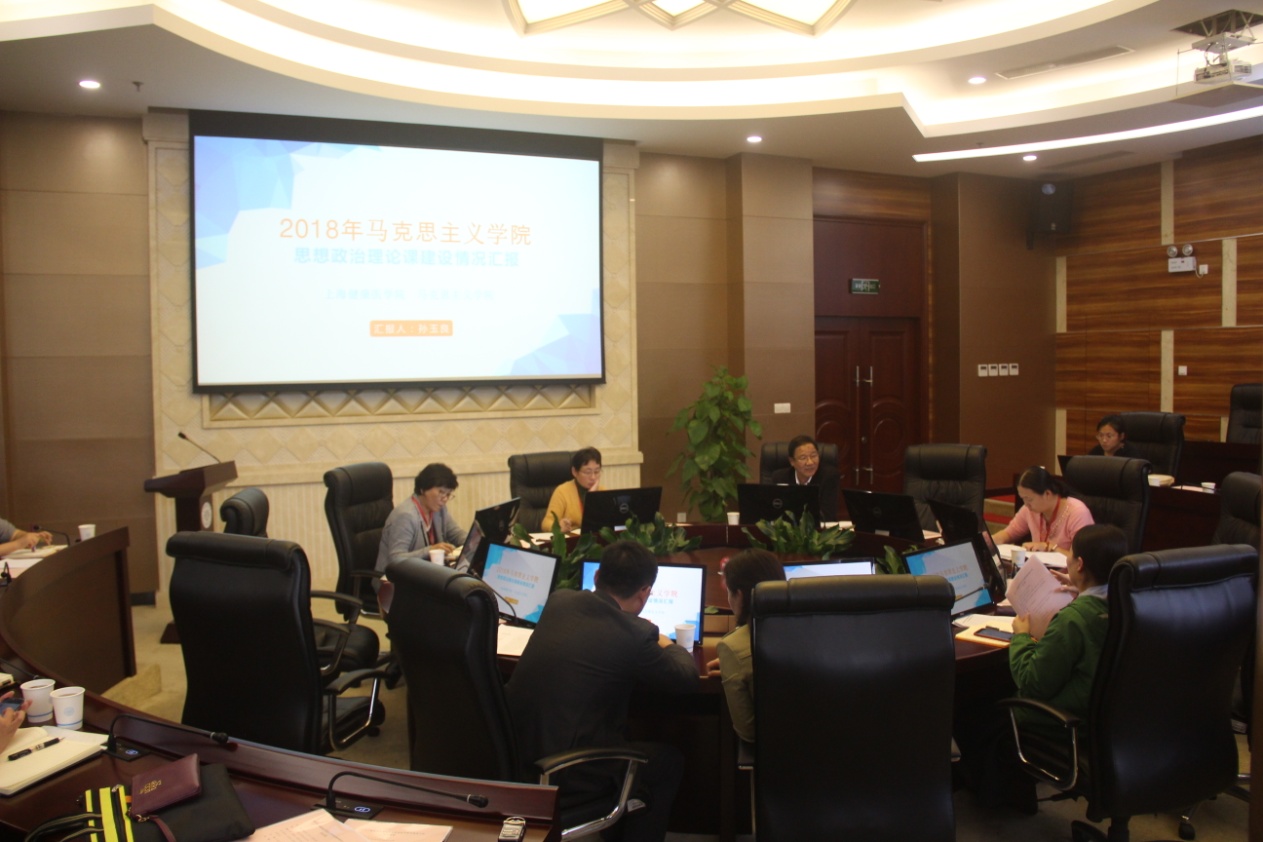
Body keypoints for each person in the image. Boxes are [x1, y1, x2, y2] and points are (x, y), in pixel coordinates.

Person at [506, 540, 698, 842]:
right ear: (645, 592)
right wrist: (665, 639)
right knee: (667, 762)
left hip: (514, 755)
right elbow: (686, 678)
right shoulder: (635, 634)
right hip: (566, 771)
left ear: (596, 577)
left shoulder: (559, 601)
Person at [957, 524, 1127, 812]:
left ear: (1080, 564)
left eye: (1070, 556)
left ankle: (1003, 798)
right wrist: (1081, 587)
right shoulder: (1126, 605)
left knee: (973, 704)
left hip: (1066, 720)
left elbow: (1031, 682)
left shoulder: (1074, 620)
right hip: (1106, 719)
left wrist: (1022, 635)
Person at [706, 549, 785, 744]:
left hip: (776, 752)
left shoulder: (733, 647)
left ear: (739, 596)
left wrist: (733, 665)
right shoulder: (815, 630)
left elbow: (748, 731)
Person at [374, 463, 466, 578]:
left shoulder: (438, 509)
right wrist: (429, 550)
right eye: (441, 492)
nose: (445, 499)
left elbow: (456, 534)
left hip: (423, 574)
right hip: (394, 580)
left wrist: (473, 543)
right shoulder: (406, 516)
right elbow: (396, 558)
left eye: (448, 494)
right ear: (423, 489)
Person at [992, 466, 1093, 556]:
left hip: (1066, 571)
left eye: (1029, 499)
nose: (1026, 504)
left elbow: (1081, 558)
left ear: (1047, 494)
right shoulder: (1029, 510)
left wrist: (1049, 547)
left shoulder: (1077, 512)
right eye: (1023, 499)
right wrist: (989, 540)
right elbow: (1009, 533)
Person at [769, 435, 840, 522]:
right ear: (792, 461)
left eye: (813, 456)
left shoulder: (829, 476)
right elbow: (775, 511)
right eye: (803, 458)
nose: (810, 462)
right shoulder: (780, 477)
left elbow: (827, 515)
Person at [541, 447, 602, 532]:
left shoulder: (602, 491)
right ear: (574, 472)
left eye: (597, 472)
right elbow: (546, 524)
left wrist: (592, 496)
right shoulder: (562, 491)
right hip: (572, 538)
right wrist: (558, 527)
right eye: (587, 472)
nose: (593, 477)